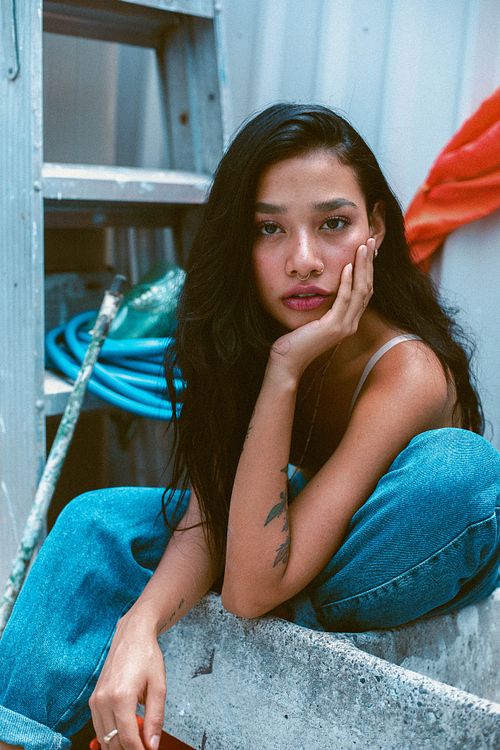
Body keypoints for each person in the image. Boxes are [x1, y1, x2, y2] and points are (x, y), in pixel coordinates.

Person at [1, 103, 499, 750]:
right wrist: (137, 626)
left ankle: (282, 602)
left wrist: (285, 370)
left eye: (333, 224)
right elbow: (212, 510)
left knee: (459, 471)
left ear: (375, 228)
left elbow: (247, 589)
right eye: (270, 229)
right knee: (95, 522)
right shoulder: (241, 335)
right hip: (282, 542)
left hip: (396, 547)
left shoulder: (408, 372)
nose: (303, 260)